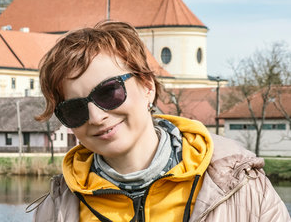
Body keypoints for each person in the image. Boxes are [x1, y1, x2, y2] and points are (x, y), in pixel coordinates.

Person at [28, 20, 290, 221]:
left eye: (109, 93)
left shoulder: (242, 184)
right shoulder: (56, 209)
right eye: (74, 109)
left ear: (147, 86)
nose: (97, 117)